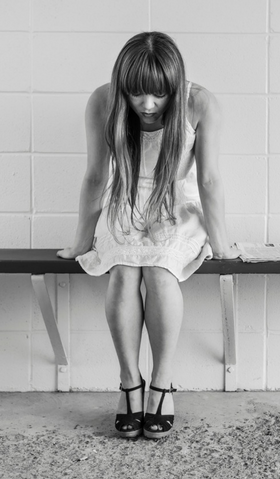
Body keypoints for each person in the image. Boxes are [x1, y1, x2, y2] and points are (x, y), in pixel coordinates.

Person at [56, 32, 239, 440]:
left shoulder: (200, 104)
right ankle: (128, 383)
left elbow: (209, 179)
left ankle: (162, 383)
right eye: (137, 94)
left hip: (177, 207)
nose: (148, 105)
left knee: (159, 271)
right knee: (123, 270)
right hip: (124, 203)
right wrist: (80, 243)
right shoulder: (103, 101)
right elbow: (95, 176)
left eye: (159, 95)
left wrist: (222, 244)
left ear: (176, 86)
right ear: (123, 86)